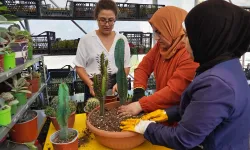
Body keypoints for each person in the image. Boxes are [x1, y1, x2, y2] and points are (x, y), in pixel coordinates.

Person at [120, 0, 250, 149]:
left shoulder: (216, 84)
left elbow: (183, 138)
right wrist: (168, 113)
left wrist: (145, 127)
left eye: (188, 35)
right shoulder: (227, 66)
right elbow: (200, 107)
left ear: (206, 37)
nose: (184, 41)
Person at [118, 6, 199, 118]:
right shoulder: (161, 47)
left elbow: (174, 92)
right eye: (154, 32)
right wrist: (139, 90)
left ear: (172, 28)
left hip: (178, 116)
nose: (156, 38)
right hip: (159, 110)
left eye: (159, 32)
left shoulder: (189, 54)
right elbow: (143, 68)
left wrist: (141, 105)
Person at [73, 0, 130, 102]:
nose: (107, 24)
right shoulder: (86, 39)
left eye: (111, 20)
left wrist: (120, 83)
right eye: (103, 20)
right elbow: (79, 67)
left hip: (116, 86)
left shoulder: (121, 40)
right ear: (96, 18)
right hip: (94, 86)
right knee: (93, 115)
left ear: (115, 19)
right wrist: (90, 84)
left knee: (118, 115)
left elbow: (126, 66)